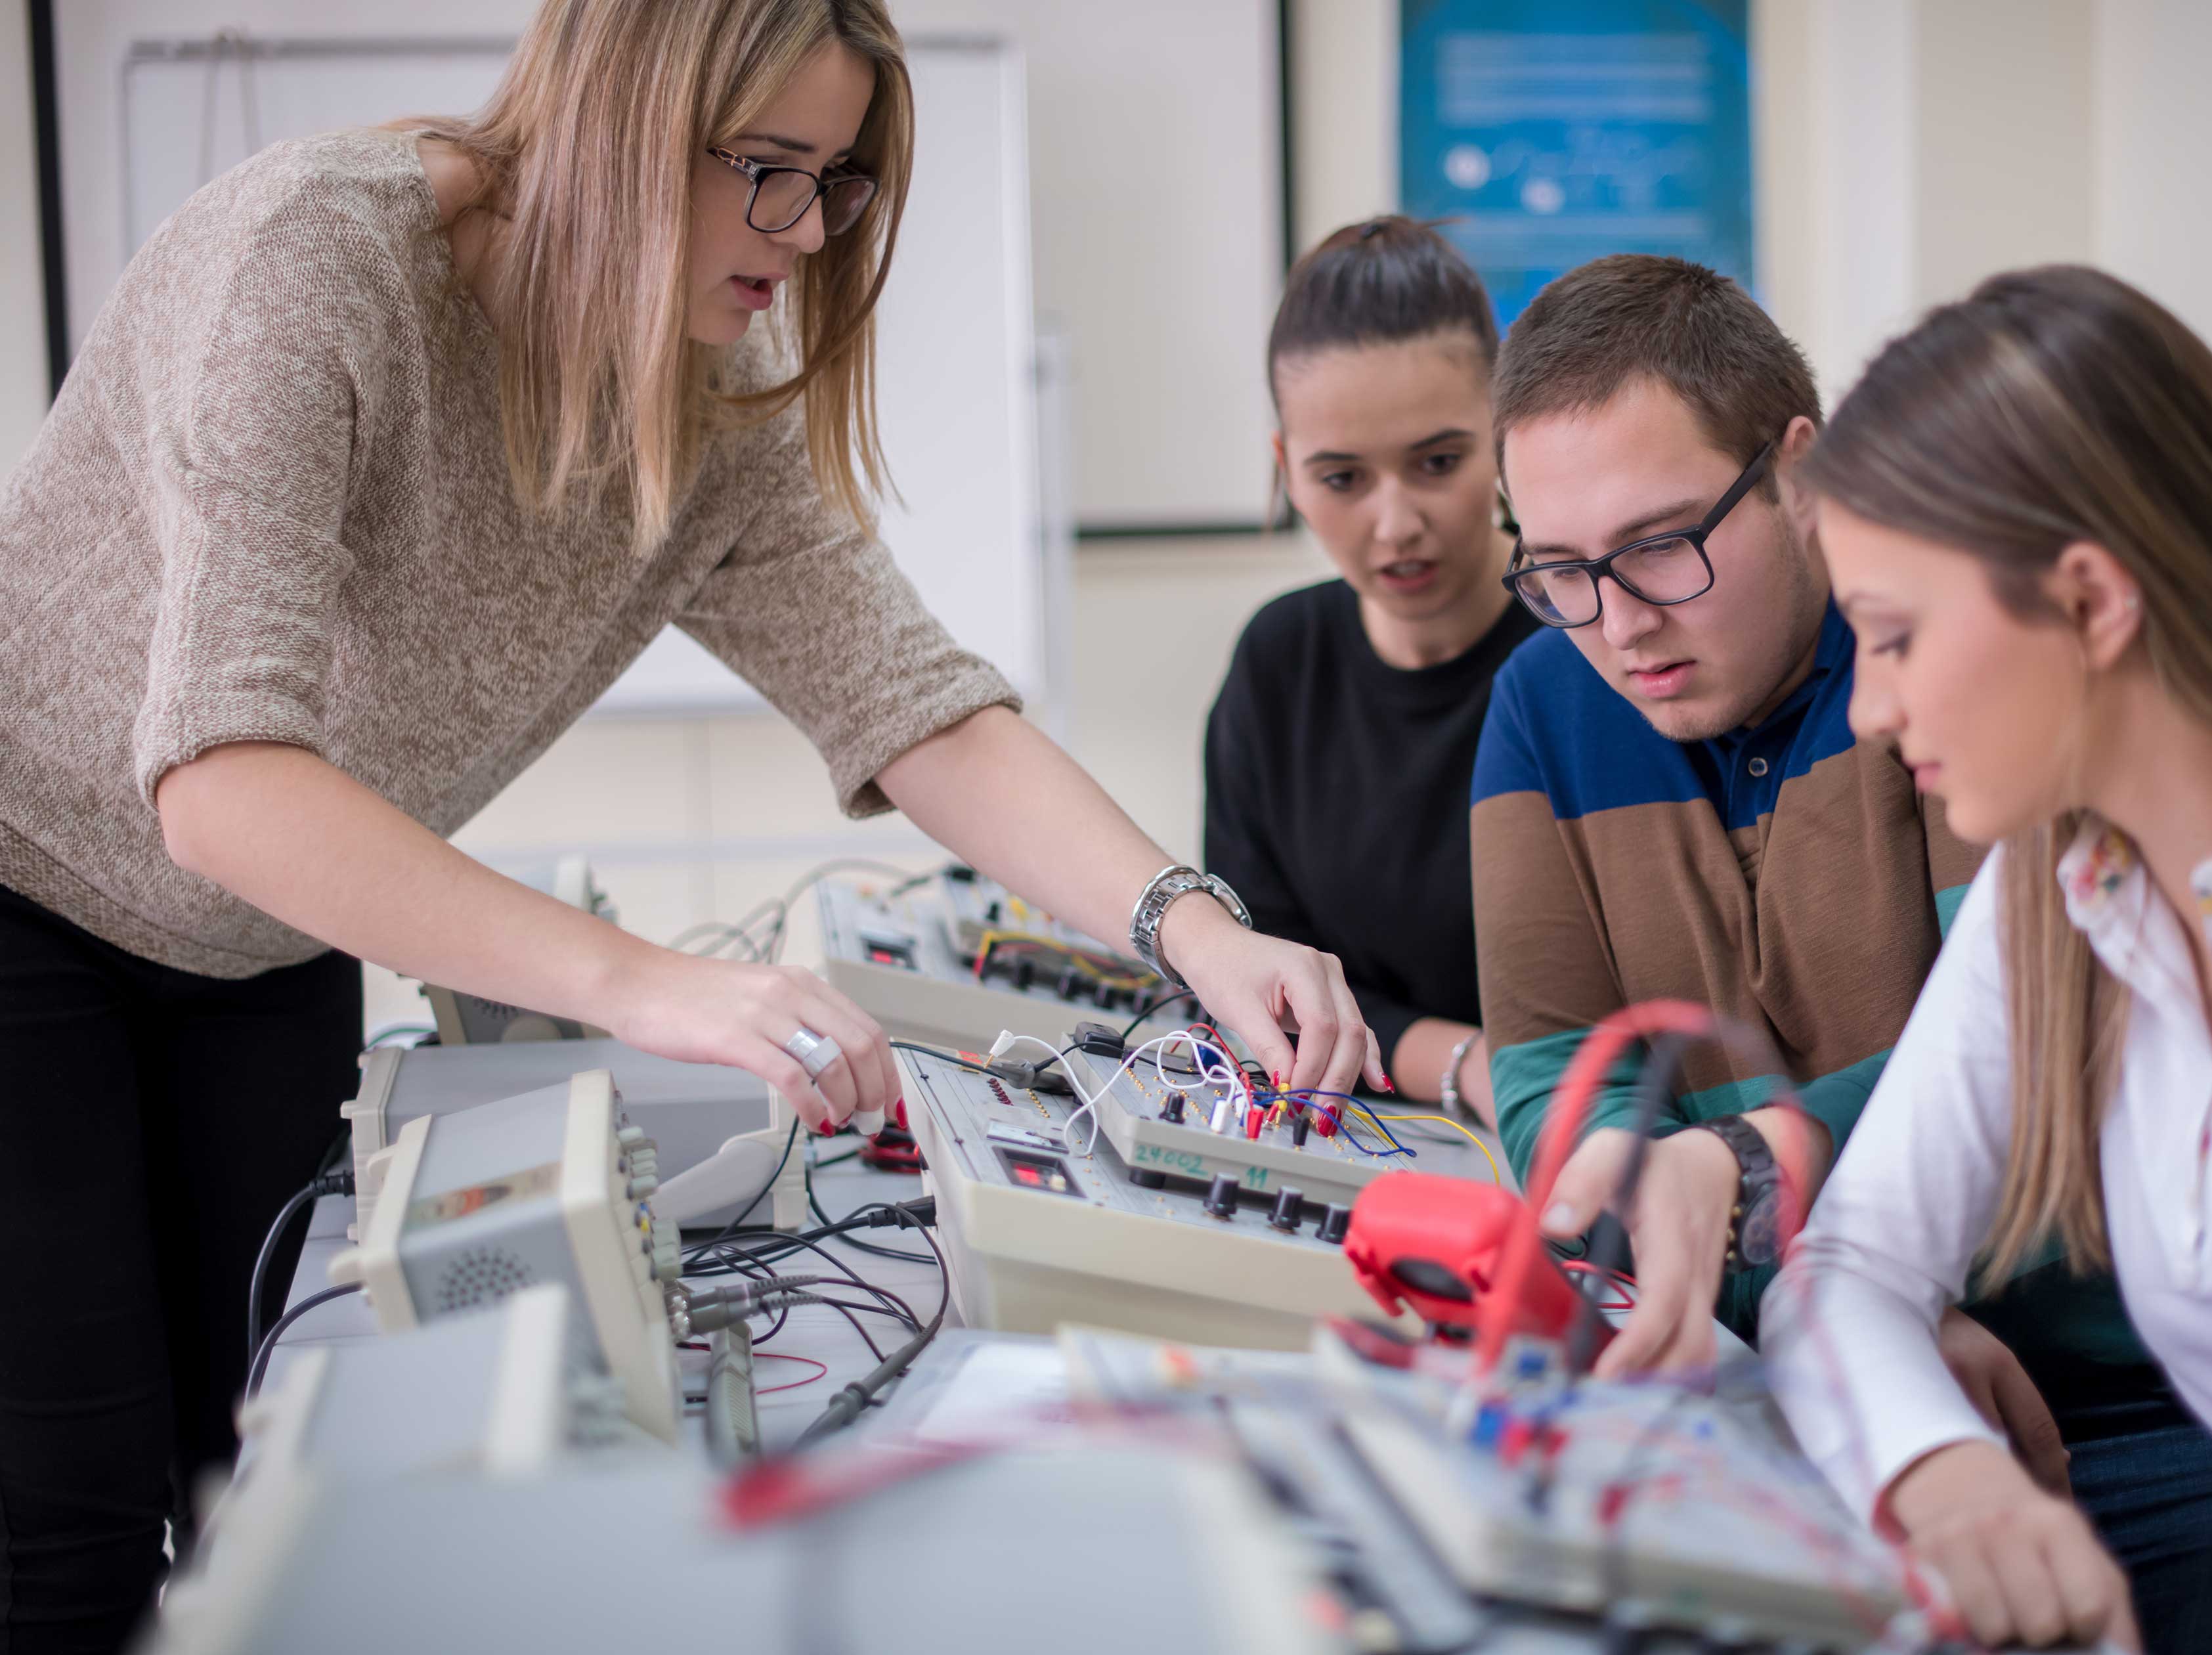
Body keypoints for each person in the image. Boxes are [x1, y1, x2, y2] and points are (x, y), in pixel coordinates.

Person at [0, 4, 1377, 1648]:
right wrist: (649, 985)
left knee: (264, 1474)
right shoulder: (318, 266)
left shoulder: (701, 400)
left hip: (273, 934)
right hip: (27, 886)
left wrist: (1194, 929)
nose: (799, 237)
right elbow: (221, 780)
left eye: (834, 184)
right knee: (67, 1530)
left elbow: (914, 704)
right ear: (619, 122)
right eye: (765, 173)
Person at [1474, 255, 2212, 1652]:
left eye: (1657, 545)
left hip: (2146, 1411)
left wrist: (1744, 1178)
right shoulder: (1553, 698)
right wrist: (1842, 1320)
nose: (1619, 621)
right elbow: (1574, 1124)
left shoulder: (1994, 714)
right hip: (1820, 1366)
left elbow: (2049, 1097)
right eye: (1562, 574)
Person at [1763, 265, 2212, 1653]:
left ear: (2092, 601)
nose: (1865, 709)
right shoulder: (2063, 889)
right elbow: (1844, 1267)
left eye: (1897, 636)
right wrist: (1944, 1474)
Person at [1204, 217, 1535, 1121]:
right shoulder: (1279, 665)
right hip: (1360, 1134)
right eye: (1343, 479)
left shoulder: (1588, 645)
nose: (1395, 526)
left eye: (1437, 462)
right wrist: (1469, 1066)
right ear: (1287, 470)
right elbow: (1259, 985)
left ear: (1503, 434)